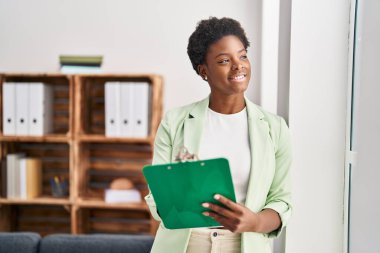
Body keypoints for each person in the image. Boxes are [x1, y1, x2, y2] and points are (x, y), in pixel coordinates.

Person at [145, 17, 292, 253]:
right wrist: (178, 200)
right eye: (224, 60)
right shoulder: (175, 122)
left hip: (244, 244)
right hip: (186, 244)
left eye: (242, 56)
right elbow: (157, 195)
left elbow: (282, 201)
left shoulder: (275, 128)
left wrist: (255, 222)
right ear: (204, 71)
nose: (238, 66)